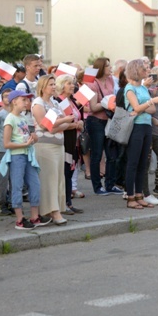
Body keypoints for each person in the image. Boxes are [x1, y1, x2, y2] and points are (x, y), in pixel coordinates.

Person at [32, 75, 73, 225]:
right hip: (44, 146)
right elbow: (44, 125)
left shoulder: (55, 103)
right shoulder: (38, 103)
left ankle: (54, 208)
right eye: (51, 84)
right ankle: (53, 211)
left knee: (57, 178)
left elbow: (63, 125)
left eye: (54, 84)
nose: (54, 86)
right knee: (48, 179)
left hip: (58, 145)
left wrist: (58, 124)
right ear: (43, 87)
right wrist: (62, 122)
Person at [124, 59, 158, 209]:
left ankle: (139, 194)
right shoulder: (129, 88)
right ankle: (130, 196)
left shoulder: (142, 88)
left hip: (146, 126)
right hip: (136, 127)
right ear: (136, 70)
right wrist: (149, 103)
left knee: (143, 163)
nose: (147, 71)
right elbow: (135, 106)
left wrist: (143, 107)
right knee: (133, 162)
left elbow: (151, 110)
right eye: (143, 69)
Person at [1, 90, 42, 230]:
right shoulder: (10, 119)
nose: (27, 103)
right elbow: (6, 143)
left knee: (35, 184)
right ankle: (19, 219)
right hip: (17, 155)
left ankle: (34, 216)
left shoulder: (23, 118)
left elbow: (27, 135)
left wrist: (33, 138)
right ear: (14, 101)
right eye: (23, 100)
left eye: (27, 100)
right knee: (17, 186)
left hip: (28, 153)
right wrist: (23, 144)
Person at [85, 57, 122, 196]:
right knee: (97, 154)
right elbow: (93, 107)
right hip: (96, 122)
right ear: (101, 68)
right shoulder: (92, 84)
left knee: (111, 154)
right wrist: (108, 103)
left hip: (109, 121)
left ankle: (110, 184)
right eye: (107, 65)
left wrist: (112, 102)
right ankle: (97, 186)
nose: (110, 67)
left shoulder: (111, 79)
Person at [55, 74, 85, 215]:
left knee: (70, 170)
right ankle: (63, 203)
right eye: (69, 83)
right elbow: (58, 124)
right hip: (65, 141)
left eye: (72, 83)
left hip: (75, 141)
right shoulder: (57, 101)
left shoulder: (71, 100)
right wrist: (75, 125)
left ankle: (68, 202)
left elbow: (78, 118)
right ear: (61, 85)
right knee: (65, 172)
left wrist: (81, 124)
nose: (73, 86)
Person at [0, 88, 14, 215]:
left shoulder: (16, 114)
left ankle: (11, 201)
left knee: (14, 178)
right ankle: (1, 204)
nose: (8, 98)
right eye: (5, 96)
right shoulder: (0, 115)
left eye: (10, 96)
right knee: (2, 178)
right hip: (2, 149)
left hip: (15, 149)